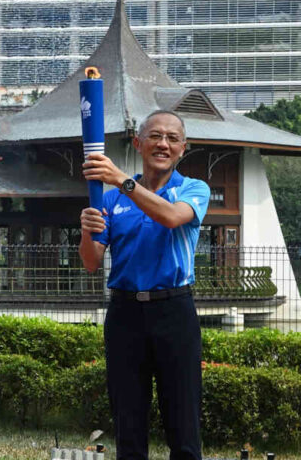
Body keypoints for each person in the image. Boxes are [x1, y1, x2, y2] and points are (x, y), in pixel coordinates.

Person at [78, 110, 210, 460]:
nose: (162, 144)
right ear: (138, 143)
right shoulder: (111, 200)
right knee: (129, 423)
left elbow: (170, 217)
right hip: (124, 314)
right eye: (154, 136)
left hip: (174, 311)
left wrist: (122, 180)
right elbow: (91, 262)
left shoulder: (193, 189)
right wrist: (86, 228)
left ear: (183, 148)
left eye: (171, 138)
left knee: (183, 424)